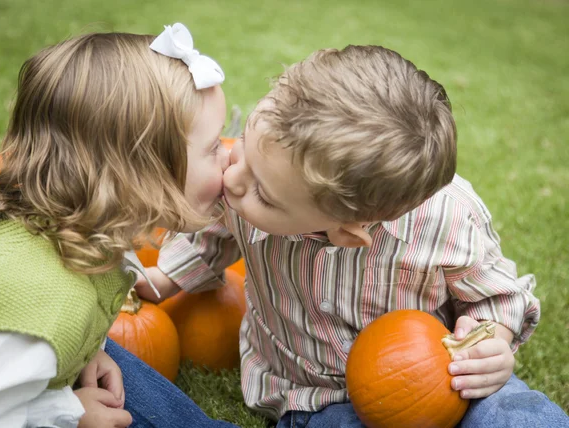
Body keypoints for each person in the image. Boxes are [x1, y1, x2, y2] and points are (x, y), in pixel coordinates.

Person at [138, 45, 569, 427]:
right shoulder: (255, 182)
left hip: (442, 379)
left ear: (347, 234)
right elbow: (211, 234)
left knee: (516, 417)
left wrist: (493, 342)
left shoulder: (449, 221)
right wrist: (161, 281)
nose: (231, 179)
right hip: (314, 392)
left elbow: (498, 297)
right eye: (243, 146)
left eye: (263, 195)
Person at [0, 23, 237, 428]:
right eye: (214, 146)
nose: (228, 159)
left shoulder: (75, 237)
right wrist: (67, 413)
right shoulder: (47, 307)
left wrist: (84, 349)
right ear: (142, 177)